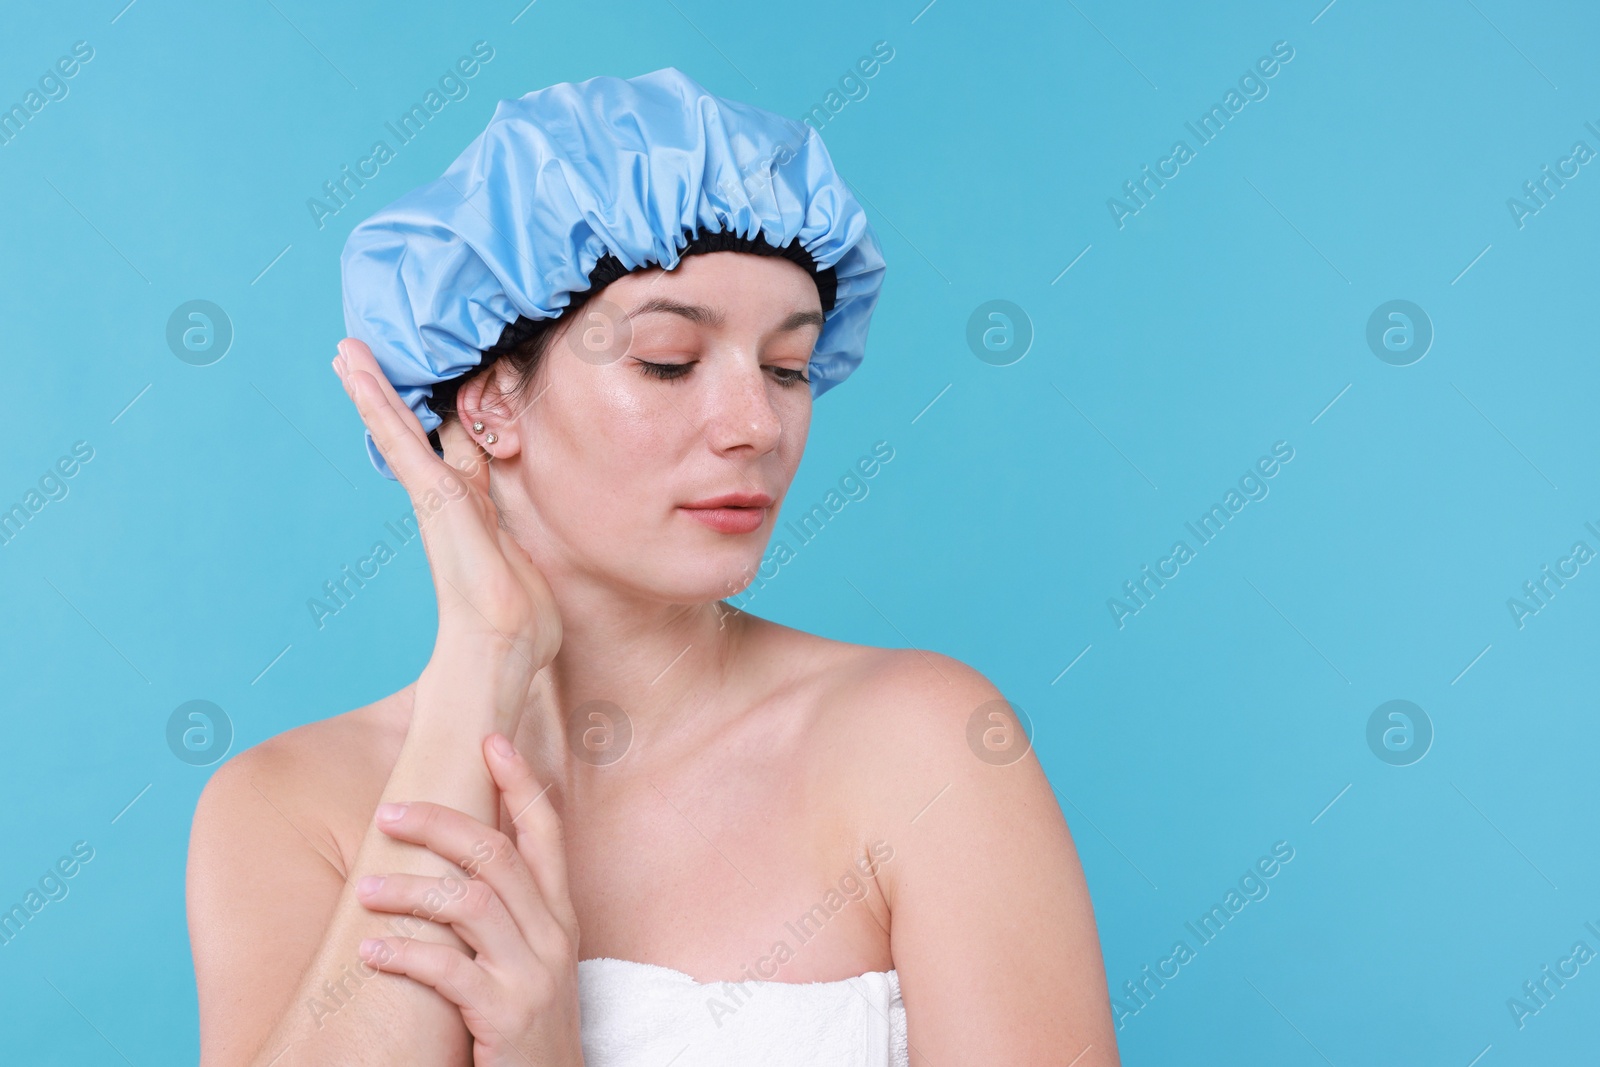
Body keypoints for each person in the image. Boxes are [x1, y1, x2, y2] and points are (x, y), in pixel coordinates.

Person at [185, 67, 1119, 1066]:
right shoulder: (289, 807)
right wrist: (482, 651)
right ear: (492, 400)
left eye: (788, 367)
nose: (756, 424)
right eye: (668, 360)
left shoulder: (924, 744)